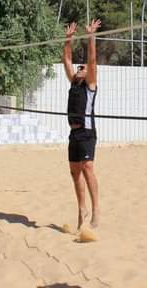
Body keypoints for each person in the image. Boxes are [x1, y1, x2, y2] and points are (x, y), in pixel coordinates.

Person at [62, 19, 101, 230]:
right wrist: (68, 39)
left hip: (87, 132)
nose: (79, 68)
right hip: (74, 134)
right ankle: (81, 208)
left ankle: (96, 210)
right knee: (74, 172)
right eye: (79, 67)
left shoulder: (90, 84)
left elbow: (92, 61)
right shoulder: (74, 82)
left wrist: (90, 36)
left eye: (82, 68)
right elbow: (67, 59)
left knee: (87, 168)